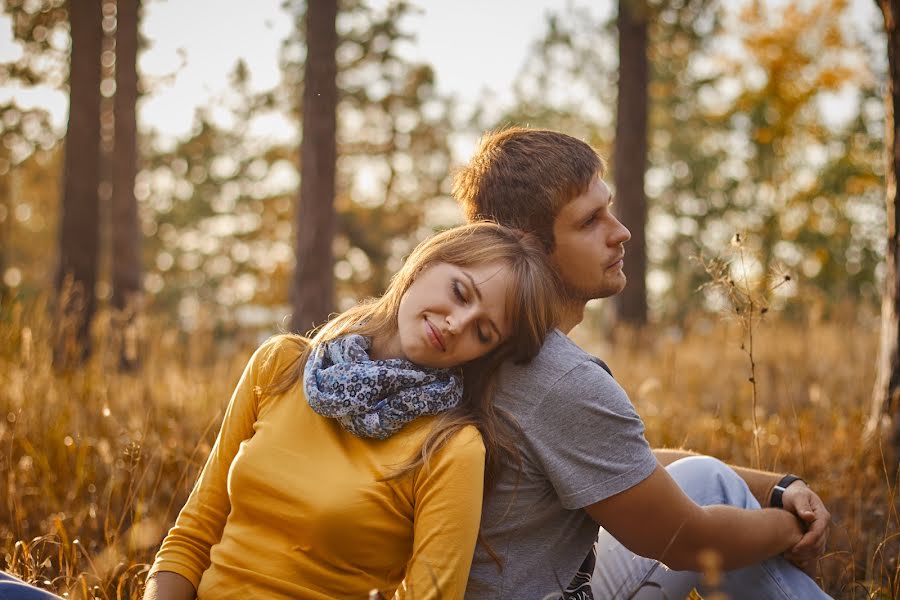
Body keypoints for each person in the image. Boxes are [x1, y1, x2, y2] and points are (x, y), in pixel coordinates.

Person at [453, 127, 833, 599]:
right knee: (709, 508)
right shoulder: (559, 378)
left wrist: (775, 486)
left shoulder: (476, 342)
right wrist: (790, 529)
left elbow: (618, 465)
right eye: (590, 221)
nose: (621, 232)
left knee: (705, 478)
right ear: (527, 246)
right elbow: (689, 543)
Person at [142, 222, 559, 600]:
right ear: (424, 265)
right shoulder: (281, 366)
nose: (457, 324)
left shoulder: (450, 447)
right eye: (460, 292)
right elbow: (192, 536)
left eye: (483, 332)